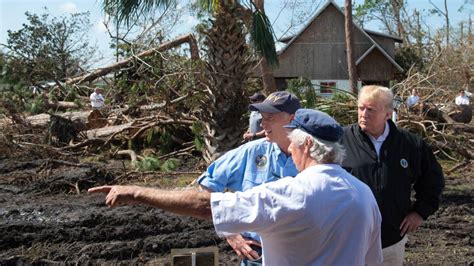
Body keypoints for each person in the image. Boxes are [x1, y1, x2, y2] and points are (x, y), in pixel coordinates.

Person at [88, 108, 383, 266]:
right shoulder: (363, 194)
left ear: (306, 145)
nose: (290, 151)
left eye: (293, 144)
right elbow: (372, 261)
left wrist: (137, 192)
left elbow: (207, 205)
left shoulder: (292, 193)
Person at [341, 85, 445, 266]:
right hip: (349, 240)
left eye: (371, 109)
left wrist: (420, 212)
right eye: (361, 108)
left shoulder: (410, 144)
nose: (363, 114)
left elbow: (433, 181)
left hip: (390, 242)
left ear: (388, 114)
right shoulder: (341, 140)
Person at [197, 91, 300, 265]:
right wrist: (230, 233)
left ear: (292, 119)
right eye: (262, 117)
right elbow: (207, 185)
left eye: (270, 118)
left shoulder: (313, 157)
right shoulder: (251, 151)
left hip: (300, 257)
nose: (262, 122)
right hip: (256, 258)